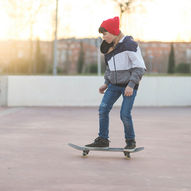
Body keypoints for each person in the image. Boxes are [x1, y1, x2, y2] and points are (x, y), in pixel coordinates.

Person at [85, 16, 146, 151]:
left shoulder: (129, 45)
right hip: (113, 86)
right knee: (103, 109)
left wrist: (131, 85)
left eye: (105, 34)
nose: (103, 37)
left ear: (113, 32)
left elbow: (140, 67)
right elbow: (109, 68)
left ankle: (130, 141)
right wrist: (106, 83)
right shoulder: (110, 46)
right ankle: (103, 139)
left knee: (124, 114)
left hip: (129, 86)